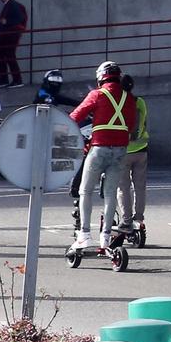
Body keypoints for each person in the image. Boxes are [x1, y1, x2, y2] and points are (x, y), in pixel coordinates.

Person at [68, 61, 134, 254]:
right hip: (121, 150)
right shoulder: (128, 98)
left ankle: (84, 235)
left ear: (100, 77)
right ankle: (105, 238)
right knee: (111, 193)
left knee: (85, 191)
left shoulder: (97, 94)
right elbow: (130, 126)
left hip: (98, 148)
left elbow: (75, 117)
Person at [119, 73, 151, 243]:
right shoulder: (140, 102)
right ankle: (139, 218)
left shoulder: (118, 103)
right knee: (140, 187)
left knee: (123, 188)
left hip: (123, 151)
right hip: (141, 149)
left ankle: (126, 220)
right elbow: (144, 123)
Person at [0, 0, 28, 87]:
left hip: (11, 35)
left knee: (7, 55)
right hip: (7, 35)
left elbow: (20, 18)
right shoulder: (10, 5)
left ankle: (15, 80)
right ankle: (6, 79)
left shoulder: (12, 5)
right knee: (2, 55)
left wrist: (7, 22)